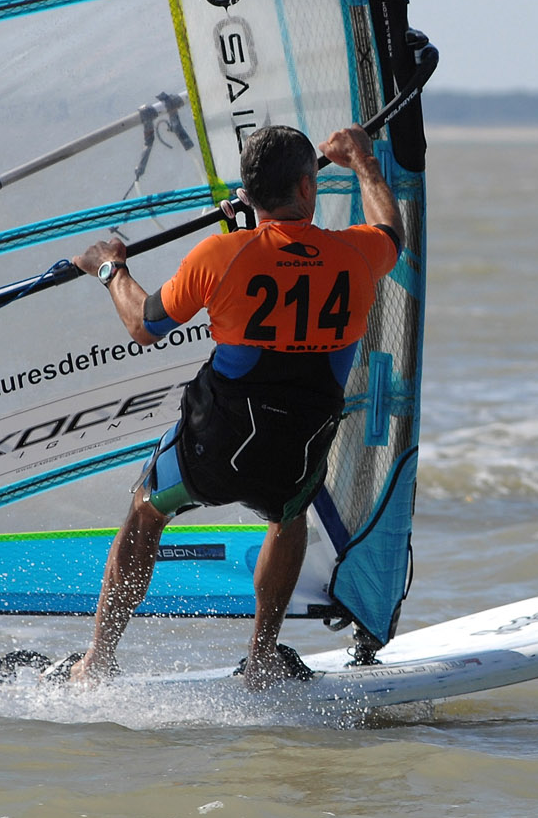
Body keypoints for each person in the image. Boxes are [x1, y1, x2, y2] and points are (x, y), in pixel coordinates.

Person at [63, 122, 402, 688]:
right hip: (294, 452)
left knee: (147, 510)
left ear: (248, 191)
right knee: (289, 518)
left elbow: (144, 323)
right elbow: (390, 231)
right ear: (306, 186)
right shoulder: (358, 256)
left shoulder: (220, 254)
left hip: (212, 448)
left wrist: (109, 267)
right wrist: (364, 162)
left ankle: (96, 662)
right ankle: (262, 658)